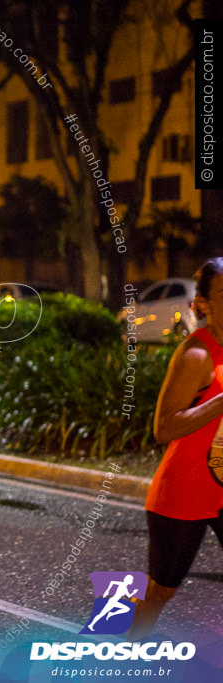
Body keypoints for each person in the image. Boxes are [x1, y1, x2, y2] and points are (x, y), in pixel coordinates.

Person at [128, 257, 223, 638]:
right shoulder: (196, 354)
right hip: (184, 493)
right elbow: (163, 428)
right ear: (203, 304)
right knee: (160, 593)